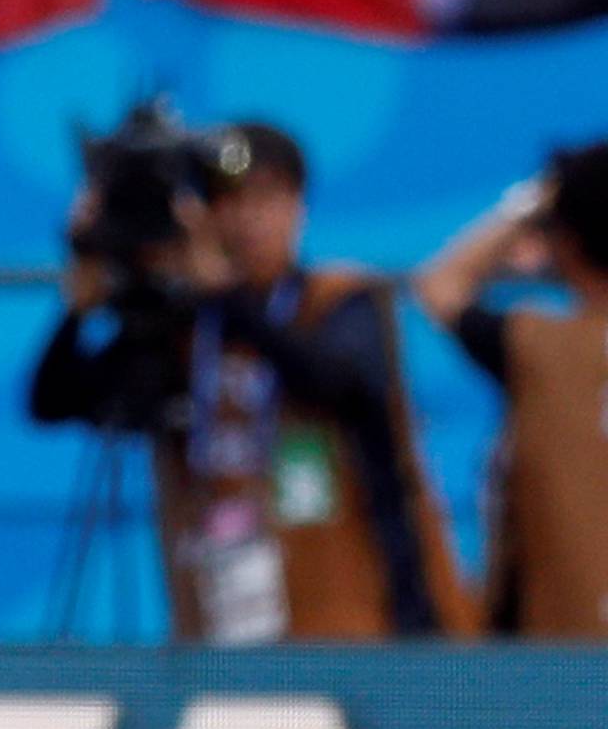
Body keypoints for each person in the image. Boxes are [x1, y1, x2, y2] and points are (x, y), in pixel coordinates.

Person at [29, 119, 469, 642]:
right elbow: (54, 400)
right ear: (202, 216)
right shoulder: (187, 329)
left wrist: (220, 290)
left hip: (364, 625)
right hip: (222, 628)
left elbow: (332, 381)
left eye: (266, 199)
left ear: (299, 206)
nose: (247, 220)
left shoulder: (342, 301)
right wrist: (78, 310)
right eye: (227, 203)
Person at [413, 143, 608, 636]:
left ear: (565, 243)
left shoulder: (534, 346)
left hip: (556, 658)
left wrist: (532, 201)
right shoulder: (534, 343)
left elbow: (440, 283)